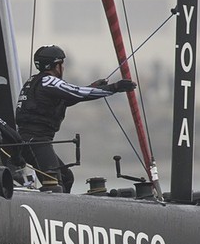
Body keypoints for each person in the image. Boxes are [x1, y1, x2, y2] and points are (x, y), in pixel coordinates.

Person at [15, 45, 136, 192]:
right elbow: (77, 93)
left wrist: (93, 86)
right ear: (56, 65)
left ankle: (61, 212)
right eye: (62, 64)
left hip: (34, 140)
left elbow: (68, 97)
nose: (63, 68)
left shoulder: (35, 81)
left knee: (66, 177)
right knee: (53, 184)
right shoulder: (49, 81)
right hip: (35, 141)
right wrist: (114, 87)